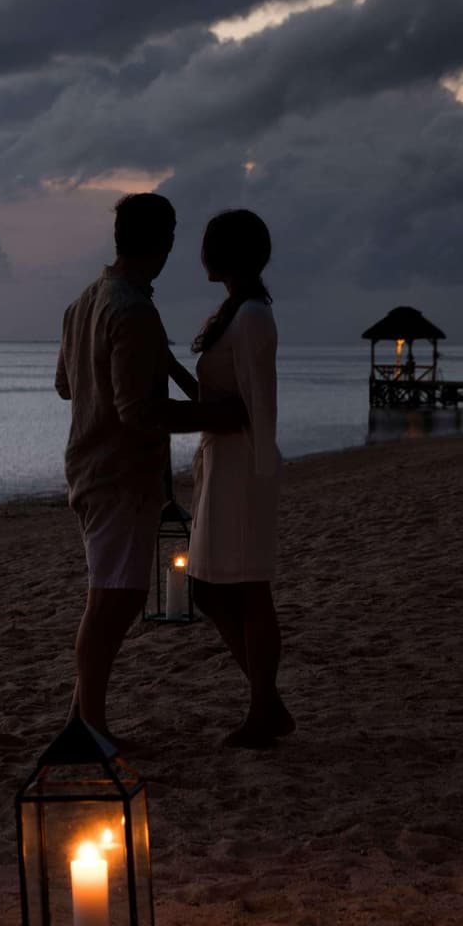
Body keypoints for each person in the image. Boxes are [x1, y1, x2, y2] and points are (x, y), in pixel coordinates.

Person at [54, 193, 245, 742]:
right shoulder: (132, 309)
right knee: (114, 600)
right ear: (165, 243)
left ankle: (82, 719)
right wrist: (218, 416)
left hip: (88, 467)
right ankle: (90, 727)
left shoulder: (83, 303)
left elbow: (65, 384)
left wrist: (159, 372)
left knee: (110, 595)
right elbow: (139, 412)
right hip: (120, 475)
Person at [185, 209, 290, 747]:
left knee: (248, 588)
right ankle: (268, 703)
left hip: (243, 467)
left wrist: (170, 418)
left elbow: (253, 409)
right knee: (206, 589)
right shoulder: (238, 311)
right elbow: (220, 399)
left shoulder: (251, 316)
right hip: (222, 465)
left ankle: (263, 708)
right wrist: (171, 373)